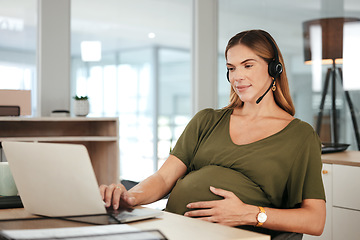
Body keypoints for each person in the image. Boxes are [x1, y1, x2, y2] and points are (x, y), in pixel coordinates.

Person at [100, 30, 326, 239]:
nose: (237, 76)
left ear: (274, 69)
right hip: (172, 230)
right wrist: (130, 197)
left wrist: (250, 214)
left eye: (248, 65)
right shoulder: (207, 120)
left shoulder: (300, 136)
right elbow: (163, 178)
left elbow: (315, 220)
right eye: (231, 68)